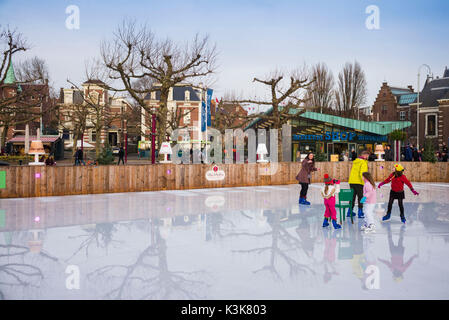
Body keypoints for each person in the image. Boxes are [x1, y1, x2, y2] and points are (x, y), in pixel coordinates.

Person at [348, 150, 369, 219]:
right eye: (367, 156)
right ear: (365, 155)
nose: (368, 157)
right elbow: (362, 173)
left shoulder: (355, 162)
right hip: (359, 182)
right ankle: (360, 212)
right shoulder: (363, 162)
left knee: (352, 197)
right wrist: (365, 182)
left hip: (352, 181)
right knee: (361, 197)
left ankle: (349, 211)